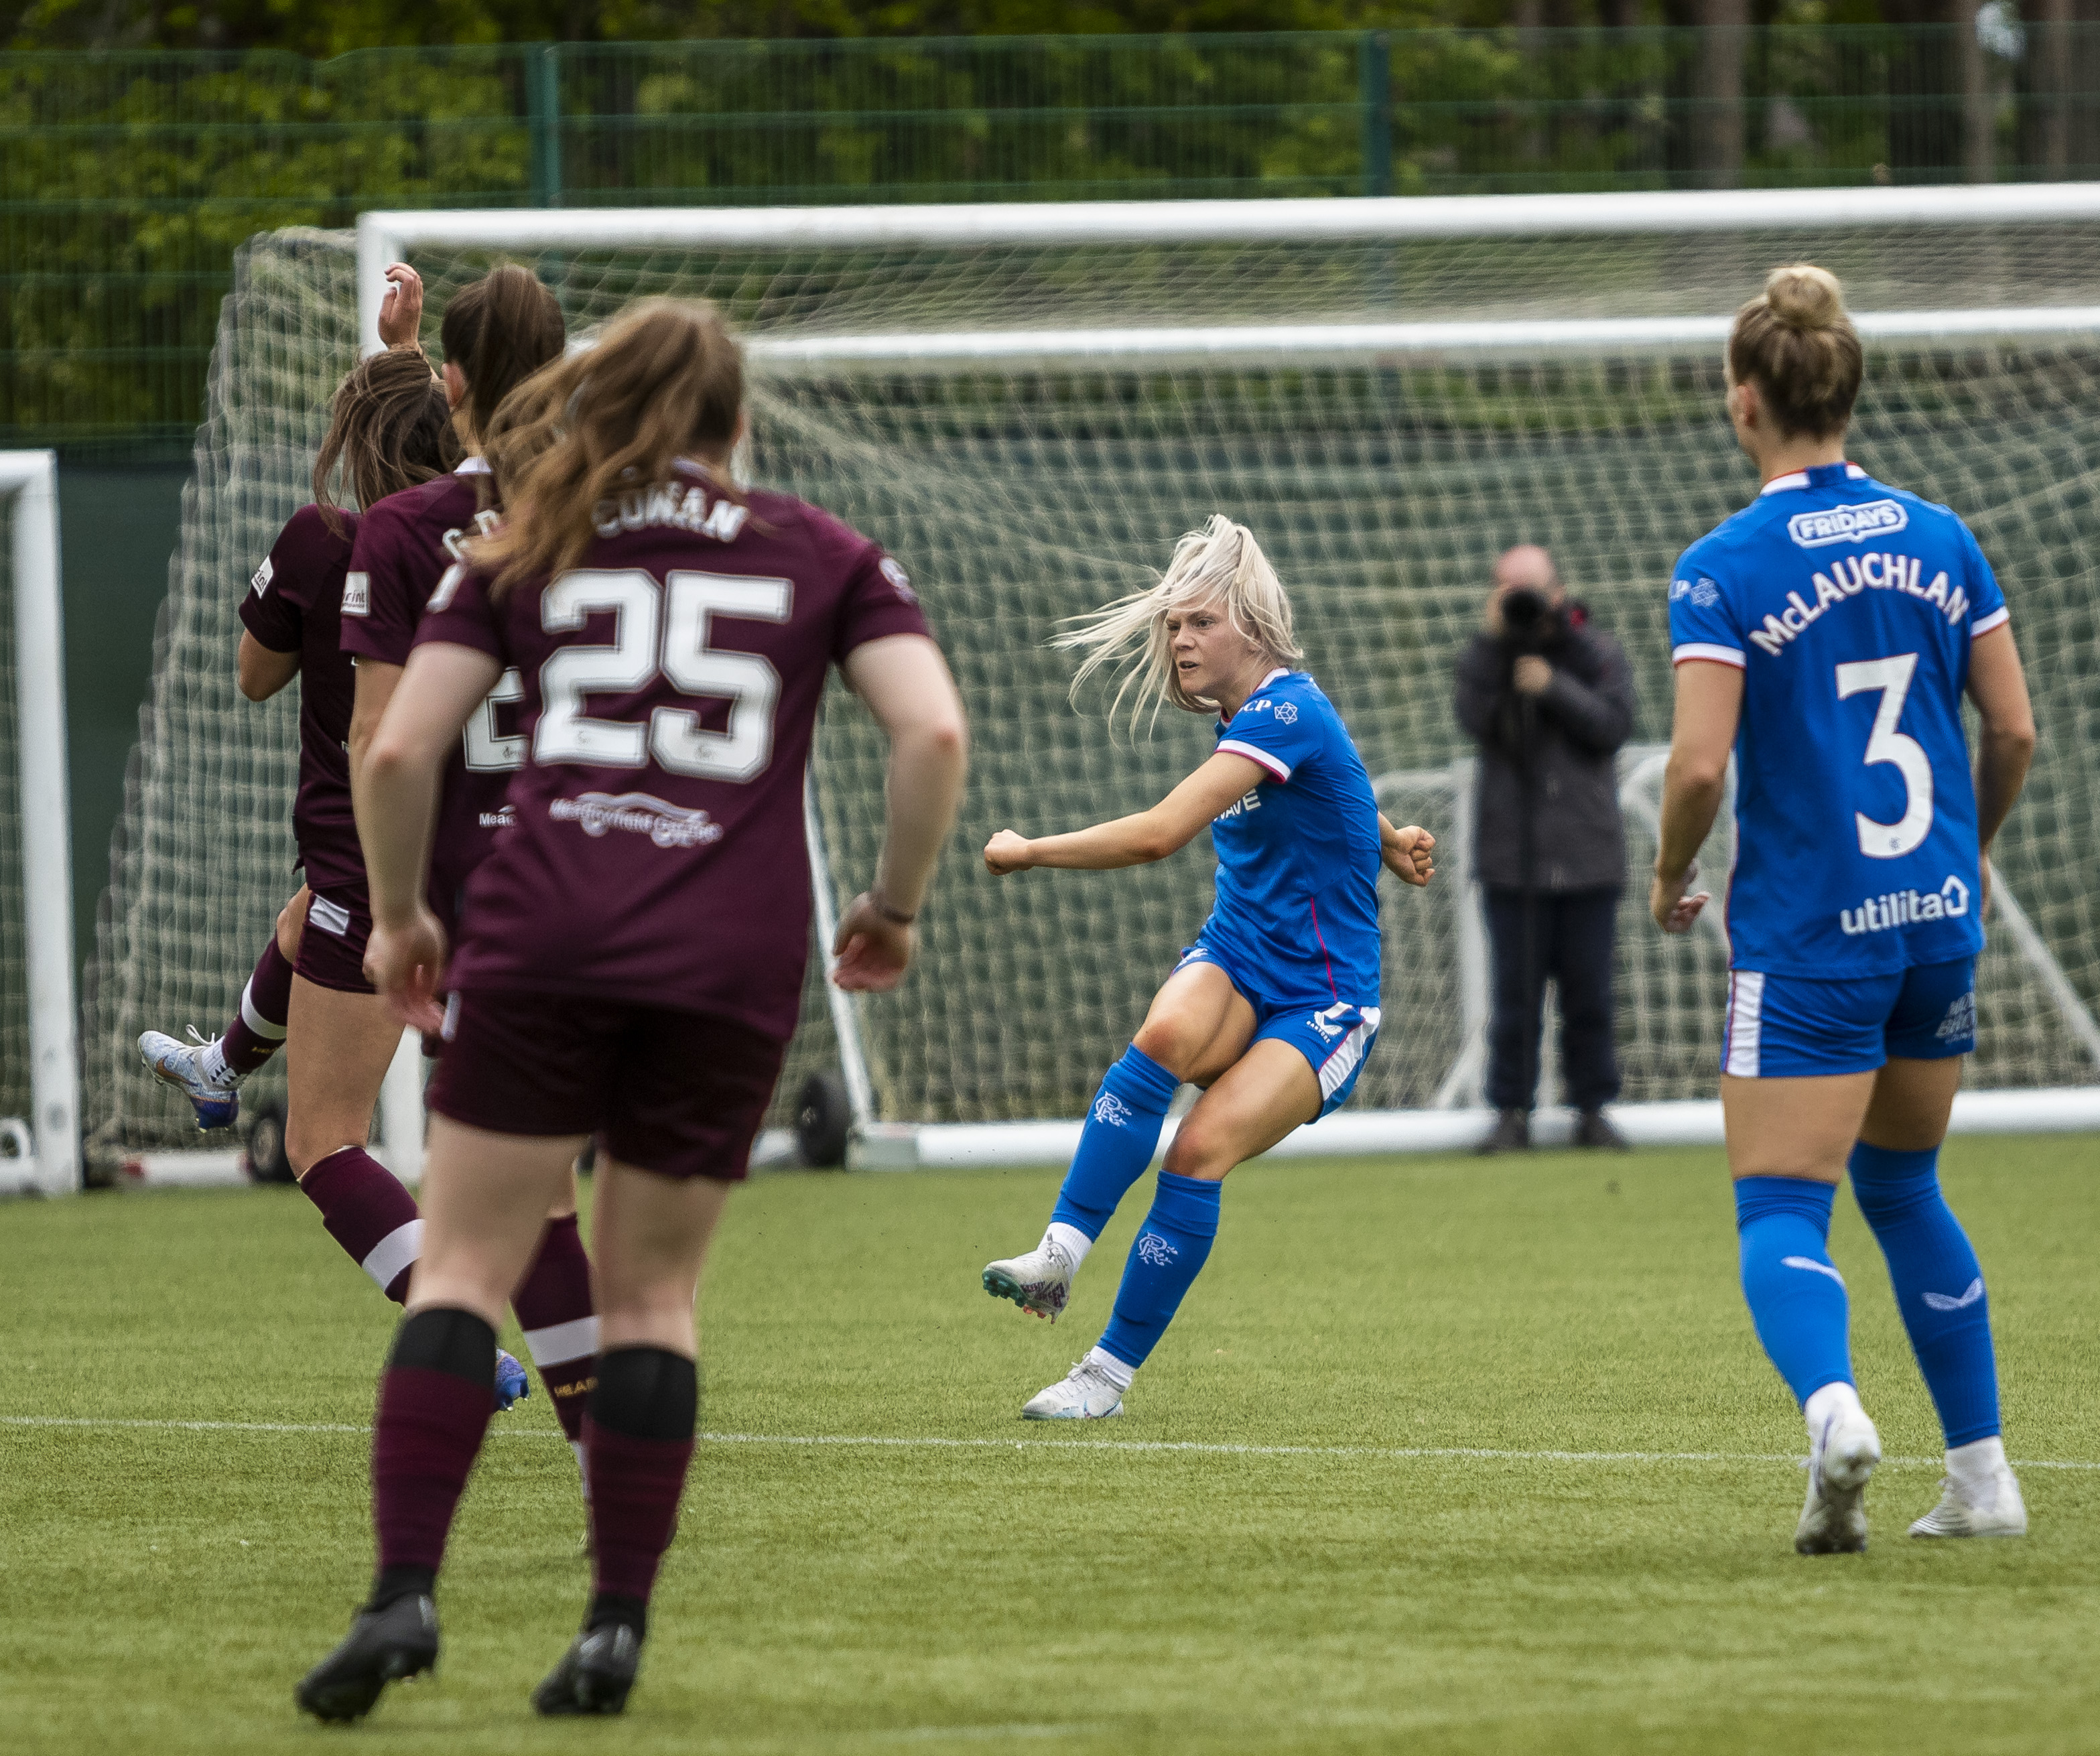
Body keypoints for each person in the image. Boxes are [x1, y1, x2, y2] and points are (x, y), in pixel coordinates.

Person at [295, 298, 968, 1722]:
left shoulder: (522, 542)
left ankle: (404, 1589)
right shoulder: (821, 549)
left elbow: (403, 740)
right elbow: (933, 729)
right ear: (737, 423)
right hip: (726, 956)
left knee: (468, 1266)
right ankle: (610, 1626)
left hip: (539, 933)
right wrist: (893, 907)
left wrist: (408, 914)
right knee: (652, 1293)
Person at [1653, 263, 2036, 1554]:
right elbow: (2014, 728)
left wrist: (1665, 876)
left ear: (1742, 401)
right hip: (1931, 922)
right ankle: (1981, 1478)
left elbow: (1698, 766)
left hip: (1811, 936)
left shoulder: (1721, 567)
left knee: (1778, 1206)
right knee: (1905, 1183)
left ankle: (1832, 1415)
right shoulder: (1942, 537)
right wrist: (1964, 852)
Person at [137, 283, 532, 1411]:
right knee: (302, 921)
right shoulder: (510, 539)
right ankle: (221, 1067)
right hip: (510, 865)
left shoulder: (332, 540)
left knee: (325, 1141)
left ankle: (462, 1338)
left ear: (355, 439)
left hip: (386, 870)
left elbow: (256, 676)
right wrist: (401, 358)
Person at [976, 517, 1435, 1420]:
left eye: (1199, 622)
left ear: (1252, 627)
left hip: (1323, 1002)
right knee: (1163, 1034)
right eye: (1172, 625)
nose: (1180, 640)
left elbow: (1158, 835)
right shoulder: (1256, 719)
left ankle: (1103, 1378)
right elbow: (1334, 783)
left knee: (1195, 1150)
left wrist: (1028, 851)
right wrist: (1387, 842)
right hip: (1236, 959)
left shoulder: (1285, 710)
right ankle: (1059, 1255)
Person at [330, 265, 604, 1459]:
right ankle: (611, 1459)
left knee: (497, 1209)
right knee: (543, 1193)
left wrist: (392, 913)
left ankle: (576, 1466)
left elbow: (381, 741)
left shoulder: (401, 531)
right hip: (621, 882)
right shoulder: (619, 518)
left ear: (453, 381)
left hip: (487, 900)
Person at [1453, 543, 1636, 1154]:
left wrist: (1553, 678)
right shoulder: (1486, 660)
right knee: (1515, 999)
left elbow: (1613, 725)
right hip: (1514, 859)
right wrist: (1501, 649)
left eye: (1531, 588)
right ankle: (1511, 1110)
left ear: (1559, 590)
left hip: (1588, 856)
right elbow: (1477, 719)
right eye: (1509, 589)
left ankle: (1593, 1108)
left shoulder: (1597, 652)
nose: (1524, 601)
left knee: (1590, 994)